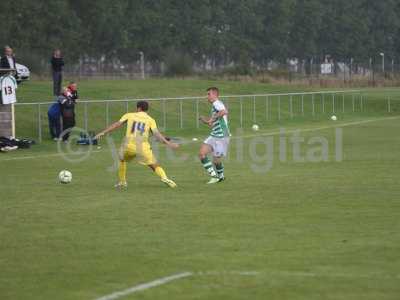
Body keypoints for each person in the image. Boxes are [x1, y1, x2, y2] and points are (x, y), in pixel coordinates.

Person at [95, 101, 179, 188]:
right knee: (154, 164)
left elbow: (117, 124)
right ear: (147, 109)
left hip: (129, 145)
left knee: (122, 159)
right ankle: (164, 178)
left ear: (138, 108)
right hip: (143, 147)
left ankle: (122, 182)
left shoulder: (129, 115)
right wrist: (169, 143)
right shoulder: (150, 120)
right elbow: (156, 134)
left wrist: (103, 133)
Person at [198, 87, 230, 184]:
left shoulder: (217, 103)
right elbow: (212, 122)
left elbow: (224, 111)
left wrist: (213, 118)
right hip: (215, 135)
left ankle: (218, 176)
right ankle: (217, 176)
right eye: (207, 94)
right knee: (202, 154)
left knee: (216, 160)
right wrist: (206, 121)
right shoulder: (214, 106)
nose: (207, 96)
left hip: (221, 136)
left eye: (209, 94)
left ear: (215, 95)